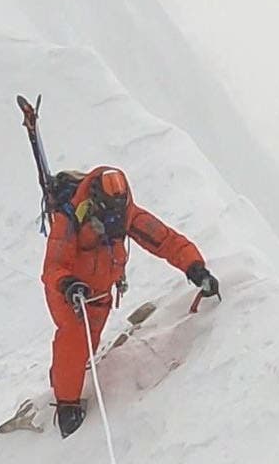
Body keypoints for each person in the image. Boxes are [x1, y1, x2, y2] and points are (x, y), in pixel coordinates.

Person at [41, 166, 219, 437]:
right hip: (68, 294)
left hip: (98, 295)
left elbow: (164, 240)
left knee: (87, 346)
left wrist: (195, 267)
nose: (114, 218)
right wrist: (67, 285)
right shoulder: (70, 220)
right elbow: (53, 267)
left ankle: (65, 381)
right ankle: (66, 404)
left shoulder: (126, 214)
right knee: (74, 341)